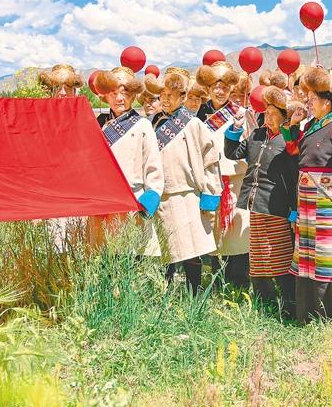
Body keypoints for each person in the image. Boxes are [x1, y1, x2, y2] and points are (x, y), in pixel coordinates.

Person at [282, 68, 332, 322]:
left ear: (327, 102)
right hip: (307, 199)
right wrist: (293, 125)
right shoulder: (311, 125)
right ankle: (305, 313)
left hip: (328, 199)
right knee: (307, 253)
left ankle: (326, 315)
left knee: (325, 255)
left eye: (313, 99)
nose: (308, 102)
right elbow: (294, 150)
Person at [224, 86, 302, 315]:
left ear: (284, 116)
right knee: (258, 256)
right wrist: (236, 128)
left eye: (272, 113)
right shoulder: (257, 135)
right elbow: (232, 153)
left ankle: (289, 304)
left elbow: (294, 176)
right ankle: (264, 302)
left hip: (277, 206)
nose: (267, 116)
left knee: (278, 256)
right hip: (254, 204)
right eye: (266, 112)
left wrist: (294, 209)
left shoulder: (289, 141)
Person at [146, 68, 222, 295]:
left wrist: (210, 194)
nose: (165, 99)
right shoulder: (153, 123)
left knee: (191, 249)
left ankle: (194, 294)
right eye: (162, 95)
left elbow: (210, 160)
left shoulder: (193, 123)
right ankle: (166, 294)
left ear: (182, 97)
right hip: (161, 196)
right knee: (165, 251)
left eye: (170, 95)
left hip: (187, 194)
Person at [89, 67, 164, 255]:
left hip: (133, 203)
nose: (119, 98)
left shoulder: (143, 125)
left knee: (132, 257)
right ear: (105, 95)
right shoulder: (97, 125)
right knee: (103, 258)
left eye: (125, 93)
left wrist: (149, 199)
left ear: (134, 95)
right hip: (102, 205)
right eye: (113, 93)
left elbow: (153, 167)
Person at [196, 61, 251, 289]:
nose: (220, 91)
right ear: (208, 88)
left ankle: (238, 285)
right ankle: (214, 285)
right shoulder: (198, 116)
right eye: (215, 86)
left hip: (236, 184)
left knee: (237, 237)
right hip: (209, 183)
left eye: (224, 87)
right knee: (212, 234)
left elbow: (250, 148)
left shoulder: (241, 113)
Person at [37, 64, 86, 252]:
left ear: (75, 91)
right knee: (54, 252)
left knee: (81, 253)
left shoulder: (89, 122)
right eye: (57, 88)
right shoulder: (39, 124)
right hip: (52, 203)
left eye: (68, 88)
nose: (63, 93)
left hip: (81, 202)